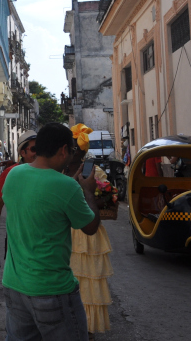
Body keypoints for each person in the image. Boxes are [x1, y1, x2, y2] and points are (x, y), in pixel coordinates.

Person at [0, 122, 101, 340]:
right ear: (64, 150)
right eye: (72, 151)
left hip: (14, 285)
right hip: (52, 290)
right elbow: (90, 227)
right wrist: (89, 192)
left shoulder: (13, 175)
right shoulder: (67, 186)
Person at [66, 124, 114, 340]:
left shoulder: (93, 172)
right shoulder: (58, 171)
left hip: (86, 233)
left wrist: (89, 191)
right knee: (72, 281)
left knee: (86, 282)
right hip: (69, 233)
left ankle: (86, 329)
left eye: (77, 151)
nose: (76, 154)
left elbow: (108, 199)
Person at [0, 130, 37, 251]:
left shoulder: (48, 171)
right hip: (18, 235)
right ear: (22, 152)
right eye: (34, 149)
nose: (39, 153)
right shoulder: (9, 173)